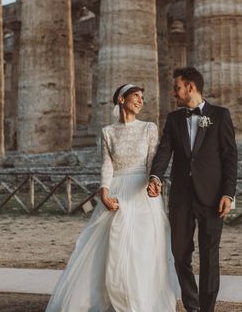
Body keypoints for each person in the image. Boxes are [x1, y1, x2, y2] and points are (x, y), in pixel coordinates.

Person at [46, 83, 179, 312]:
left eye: (141, 97)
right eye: (135, 96)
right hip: (117, 190)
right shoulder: (108, 131)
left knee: (142, 247)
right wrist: (104, 191)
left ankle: (141, 301)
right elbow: (107, 165)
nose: (140, 100)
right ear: (121, 99)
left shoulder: (149, 128)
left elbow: (151, 163)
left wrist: (155, 183)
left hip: (142, 191)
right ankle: (112, 298)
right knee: (110, 247)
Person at [148, 67, 238, 312]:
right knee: (179, 254)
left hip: (213, 197)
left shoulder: (220, 115)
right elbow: (164, 151)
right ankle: (192, 305)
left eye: (176, 87)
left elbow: (230, 157)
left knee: (210, 257)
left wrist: (228, 194)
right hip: (181, 197)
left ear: (190, 87)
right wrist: (155, 176)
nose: (173, 92)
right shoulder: (174, 119)